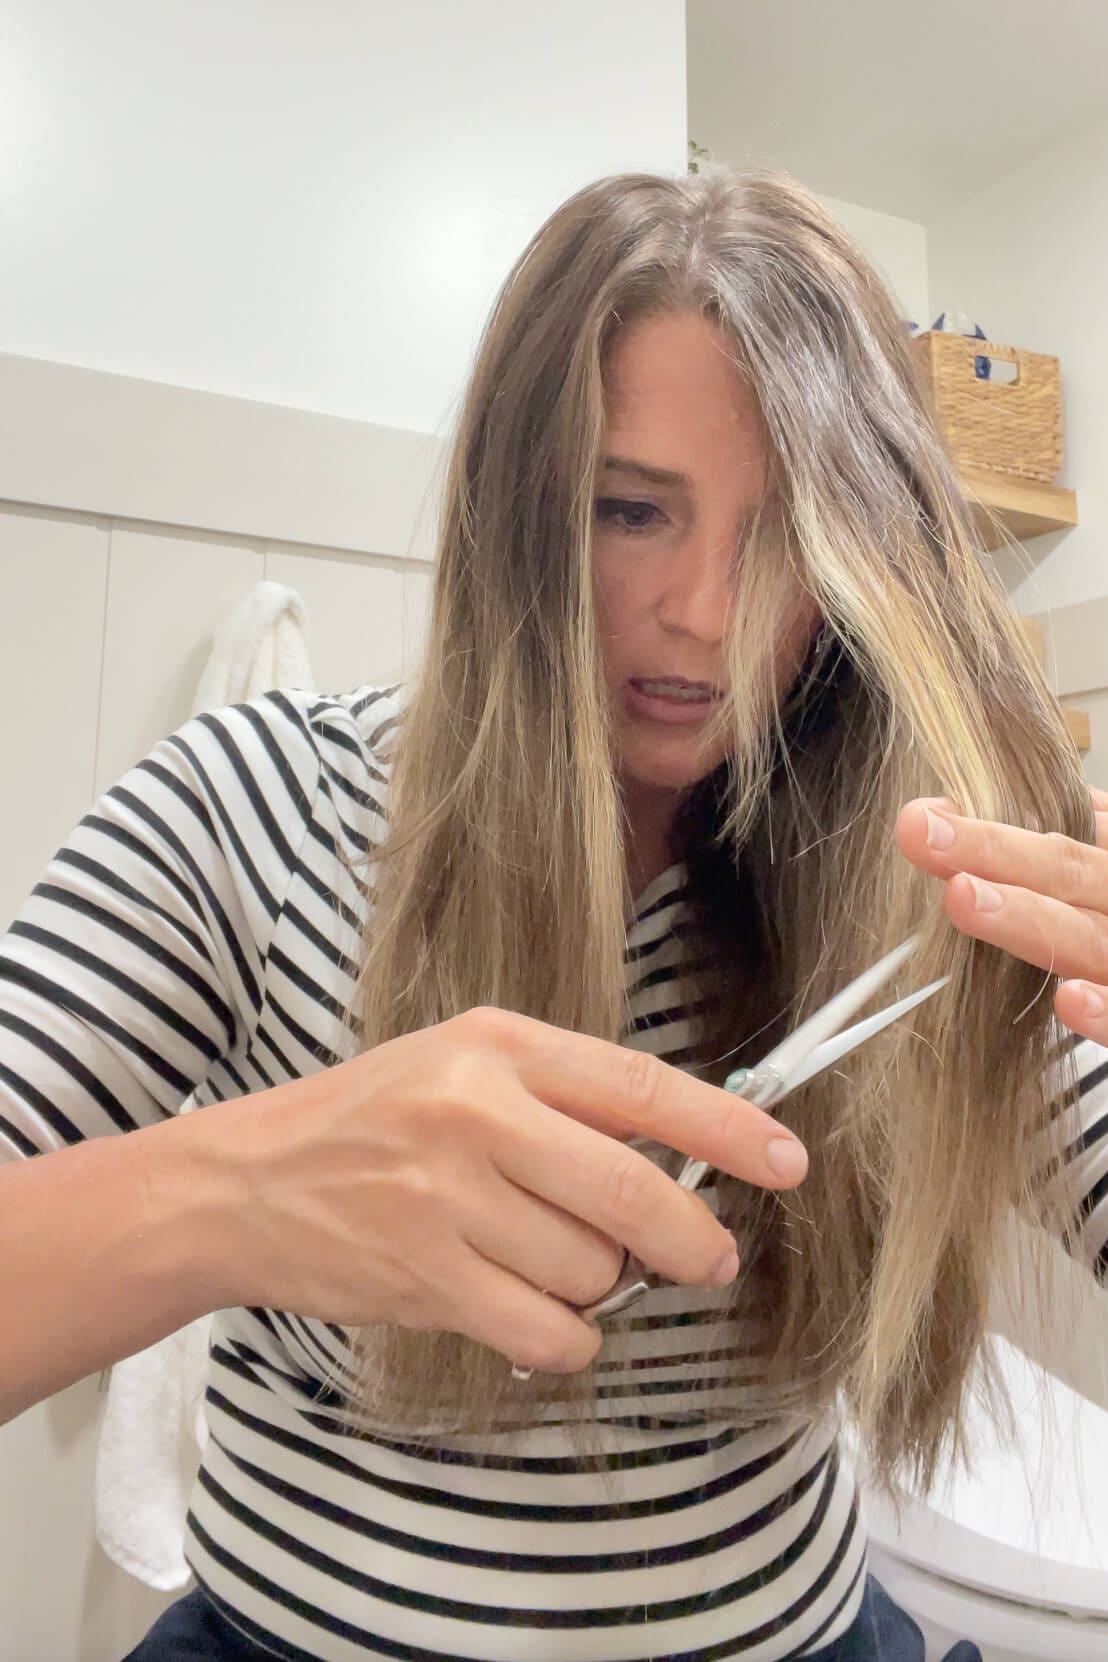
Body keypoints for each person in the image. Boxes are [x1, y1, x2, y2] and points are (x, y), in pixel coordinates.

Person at [1, 166, 1106, 1662]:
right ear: (515, 509)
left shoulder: (924, 877)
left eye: (791, 532)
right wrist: (232, 1200)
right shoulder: (253, 806)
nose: (708, 609)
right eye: (631, 510)